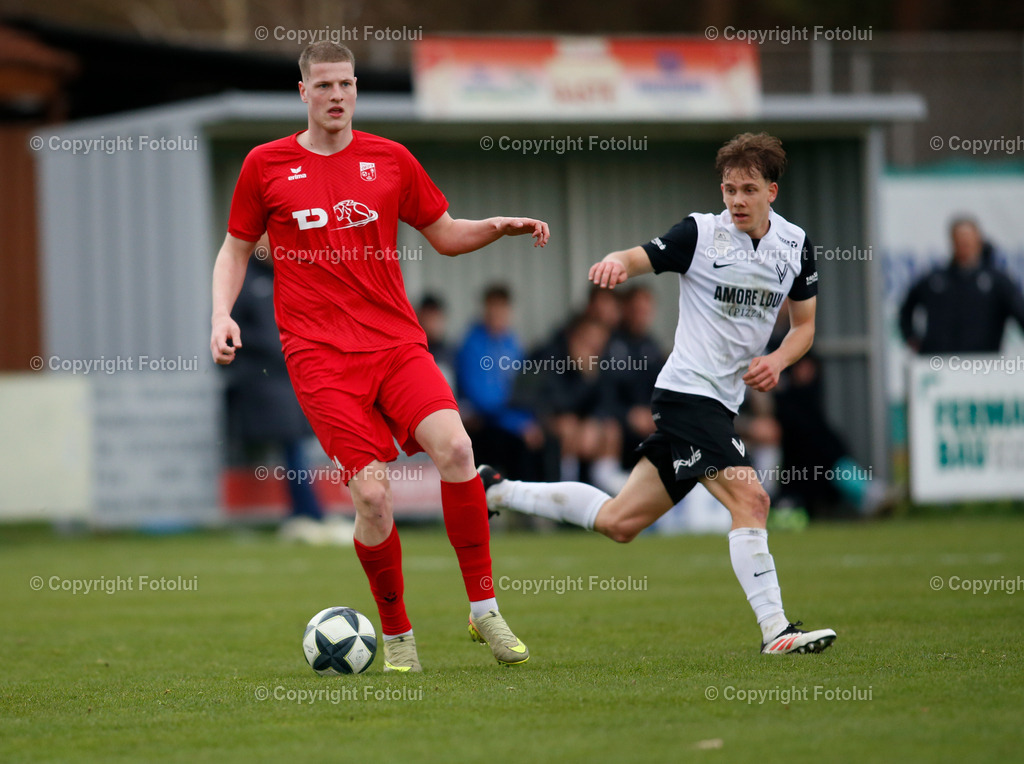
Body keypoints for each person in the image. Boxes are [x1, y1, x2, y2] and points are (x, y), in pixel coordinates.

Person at [210, 41, 549, 672]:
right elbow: (235, 249)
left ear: (356, 89)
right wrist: (221, 315)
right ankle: (396, 636)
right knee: (372, 497)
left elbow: (444, 233)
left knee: (456, 448)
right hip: (319, 357)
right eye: (324, 86)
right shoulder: (265, 165)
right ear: (303, 93)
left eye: (346, 84)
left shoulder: (390, 160)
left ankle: (484, 611)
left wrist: (494, 226)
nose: (336, 96)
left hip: (395, 343)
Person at [481, 132, 836, 655]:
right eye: (729, 189)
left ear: (772, 192)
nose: (736, 200)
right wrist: (617, 264)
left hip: (721, 402)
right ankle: (776, 631)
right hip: (687, 395)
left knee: (619, 521)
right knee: (753, 499)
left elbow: (804, 327)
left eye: (748, 190)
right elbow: (642, 255)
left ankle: (497, 491)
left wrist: (778, 360)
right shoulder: (700, 234)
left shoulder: (796, 245)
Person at [225, 247, 355, 545]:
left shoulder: (289, 277)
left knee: (301, 443)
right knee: (292, 443)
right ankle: (310, 515)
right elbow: (233, 329)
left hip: (294, 379)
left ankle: (304, 515)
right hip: (262, 383)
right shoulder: (244, 280)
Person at [455, 284, 544, 481]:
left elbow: (523, 388)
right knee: (520, 444)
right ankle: (520, 504)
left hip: (510, 420)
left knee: (548, 439)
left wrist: (529, 421)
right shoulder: (472, 345)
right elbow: (482, 400)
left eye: (502, 308)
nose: (497, 314)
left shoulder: (512, 342)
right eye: (493, 307)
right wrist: (518, 424)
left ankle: (547, 503)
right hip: (485, 425)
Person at [899, 216, 1024, 354]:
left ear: (978, 240)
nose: (964, 244)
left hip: (983, 363)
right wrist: (911, 337)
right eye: (960, 239)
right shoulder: (935, 280)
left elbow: (1019, 311)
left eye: (968, 239)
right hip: (939, 361)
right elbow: (907, 308)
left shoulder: (997, 281)